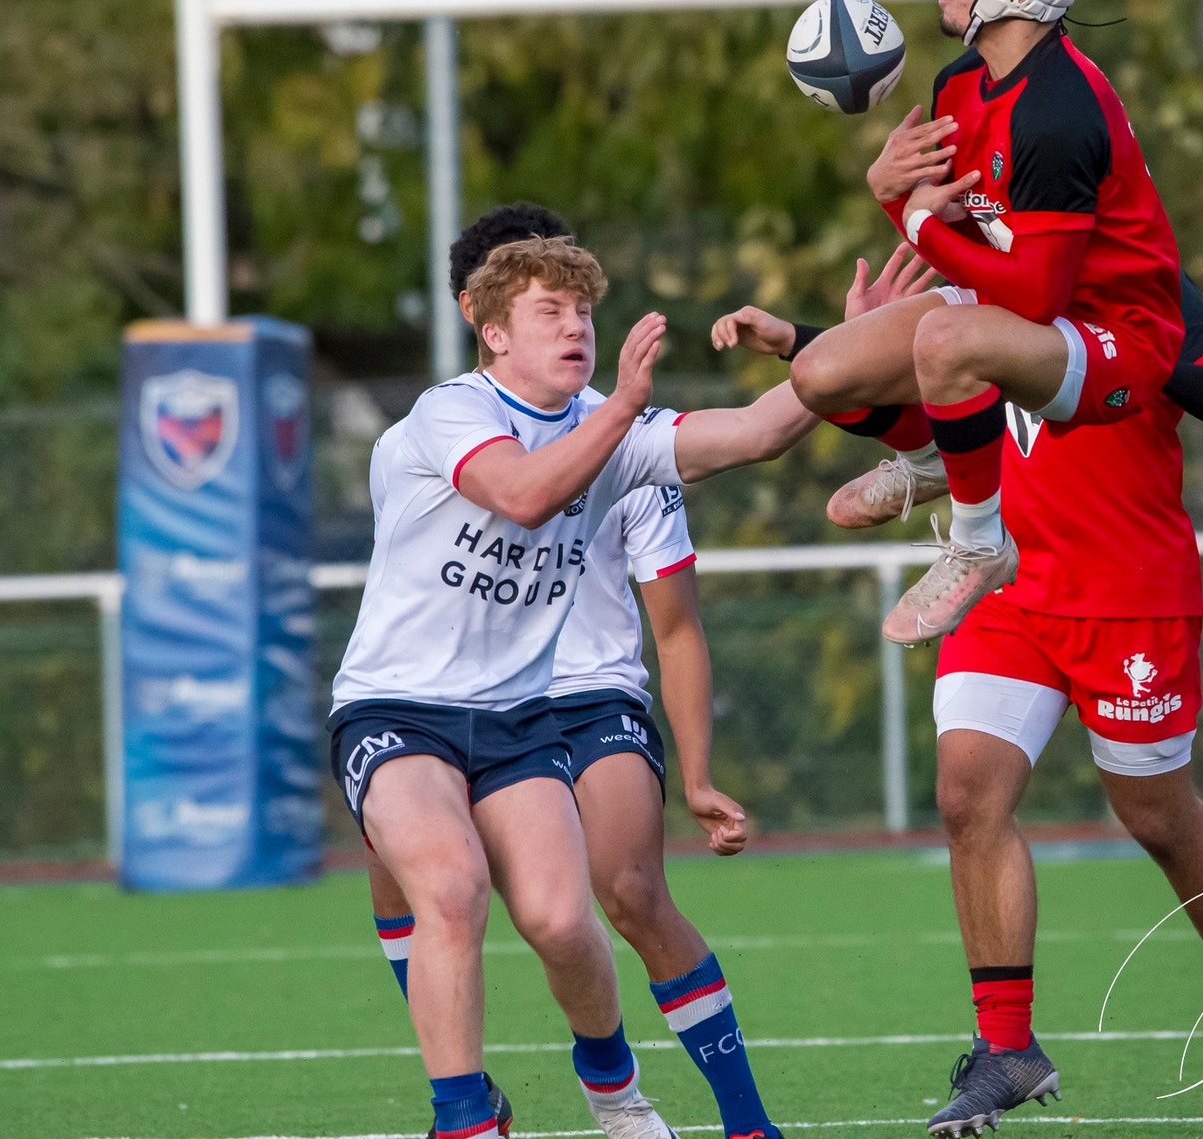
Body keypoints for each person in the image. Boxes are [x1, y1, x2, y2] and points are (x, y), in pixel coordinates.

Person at [363, 204, 914, 1139]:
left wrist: (853, 345)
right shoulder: (449, 413)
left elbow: (754, 431)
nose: (577, 324)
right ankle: (464, 1115)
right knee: (447, 886)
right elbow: (529, 496)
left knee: (568, 919)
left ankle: (618, 1087)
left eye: (583, 308)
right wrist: (622, 408)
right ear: (489, 329)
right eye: (551, 310)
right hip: (399, 707)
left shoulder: (615, 433)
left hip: (523, 717)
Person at [715, 272, 1203, 1134]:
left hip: (1129, 593)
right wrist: (812, 341)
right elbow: (909, 388)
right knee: (967, 794)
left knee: (1159, 816)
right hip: (1008, 581)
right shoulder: (973, 291)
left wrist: (1111, 338)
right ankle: (1007, 1048)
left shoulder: (1145, 285)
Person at [784, 0, 1183, 645]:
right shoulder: (960, 83)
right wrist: (891, 194)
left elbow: (1036, 294)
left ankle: (979, 544)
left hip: (1115, 340)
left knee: (946, 341)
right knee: (818, 372)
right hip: (1017, 307)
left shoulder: (1059, 113)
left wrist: (915, 218)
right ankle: (936, 456)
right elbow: (953, 230)